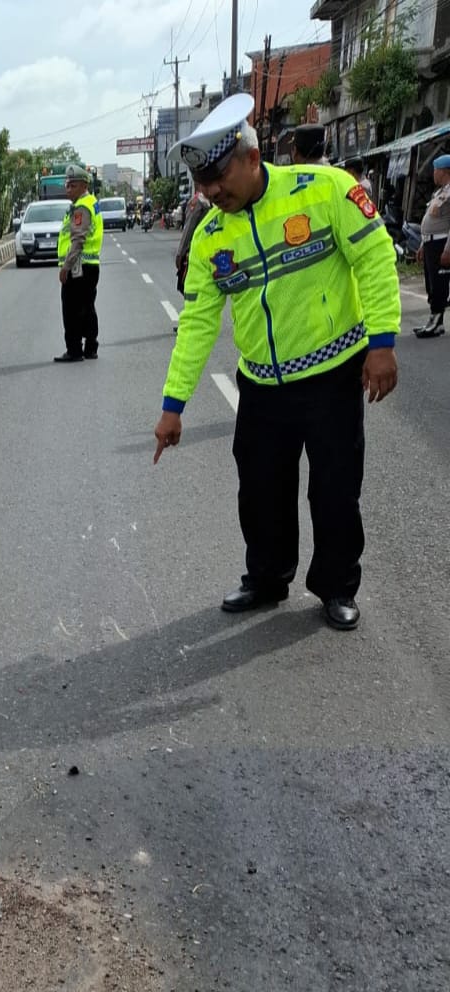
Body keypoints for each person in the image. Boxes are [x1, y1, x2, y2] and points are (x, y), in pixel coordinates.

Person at [152, 92, 401, 632]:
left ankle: (336, 585)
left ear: (251, 157)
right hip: (262, 387)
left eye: (219, 178)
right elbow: (196, 323)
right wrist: (173, 407)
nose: (211, 192)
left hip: (333, 377)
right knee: (260, 491)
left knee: (334, 490)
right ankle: (267, 578)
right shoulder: (211, 236)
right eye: (204, 184)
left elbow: (377, 256)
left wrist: (382, 343)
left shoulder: (325, 190)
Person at [54, 162, 104, 363]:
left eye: (73, 185)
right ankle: (91, 347)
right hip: (90, 265)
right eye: (67, 185)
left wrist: (66, 267)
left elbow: (77, 240)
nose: (68, 189)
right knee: (87, 307)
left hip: (79, 267)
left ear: (84, 185)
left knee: (72, 309)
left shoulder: (81, 208)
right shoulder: (91, 202)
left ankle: (74, 349)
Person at [413, 152, 450, 339]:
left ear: (444, 171)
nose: (433, 174)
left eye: (435, 170)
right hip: (430, 242)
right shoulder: (439, 192)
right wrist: (422, 244)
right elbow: (430, 219)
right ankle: (434, 320)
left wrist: (448, 249)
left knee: (439, 283)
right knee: (430, 283)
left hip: (442, 243)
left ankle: (436, 322)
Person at [172, 192, 212, 331]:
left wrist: (180, 253)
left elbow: (188, 229)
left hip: (195, 252)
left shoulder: (197, 202)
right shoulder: (212, 201)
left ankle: (192, 321)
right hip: (211, 248)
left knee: (187, 287)